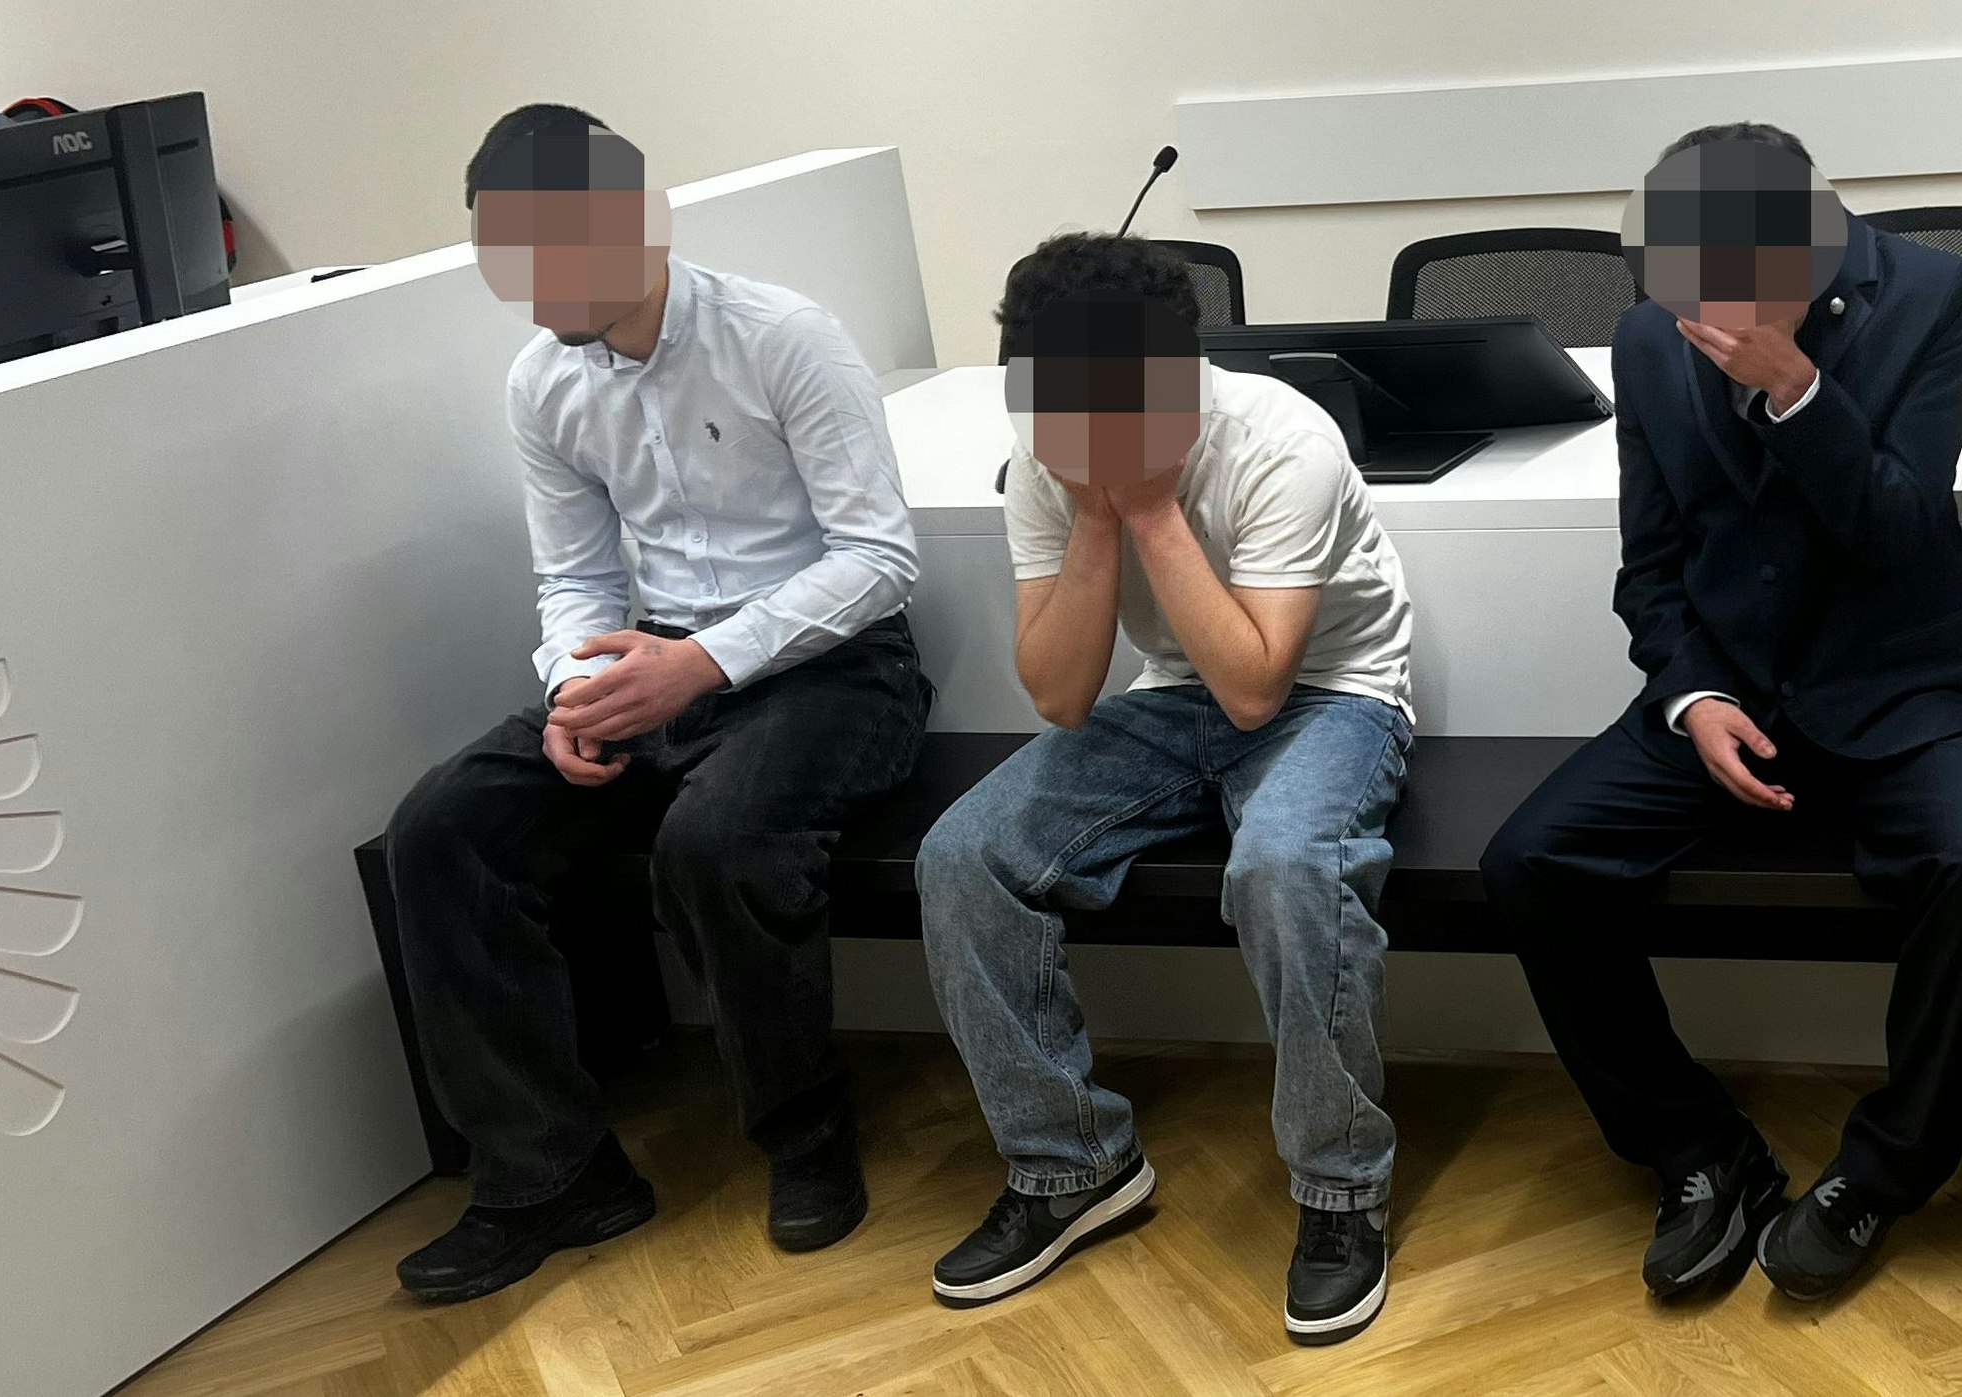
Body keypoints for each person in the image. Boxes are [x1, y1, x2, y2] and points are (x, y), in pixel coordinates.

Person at [385, 105, 933, 1303]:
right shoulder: (543, 382)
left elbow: (879, 559)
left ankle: (803, 1132)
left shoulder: (782, 336)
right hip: (653, 661)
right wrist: (575, 692)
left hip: (836, 667)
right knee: (441, 828)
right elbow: (575, 579)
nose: (533, 290)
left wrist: (705, 664)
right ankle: (549, 1172)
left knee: (717, 839)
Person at [1481, 122, 1962, 1303]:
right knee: (1530, 860)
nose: (1693, 305)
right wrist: (1691, 695)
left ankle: (1880, 1171)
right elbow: (1650, 563)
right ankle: (1696, 1146)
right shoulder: (1648, 332)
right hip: (1726, 683)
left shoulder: (1930, 293)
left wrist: (1796, 389)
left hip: (1900, 681)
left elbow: (1902, 529)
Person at [915, 233, 1415, 1345]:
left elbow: (1256, 689)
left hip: (1333, 695)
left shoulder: (1281, 439)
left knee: (1285, 865)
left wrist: (1145, 506)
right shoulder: (1044, 458)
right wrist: (1094, 510)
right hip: (1171, 693)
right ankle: (1071, 1164)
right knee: (961, 855)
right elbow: (1059, 694)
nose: (1062, 428)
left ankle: (1340, 1187)